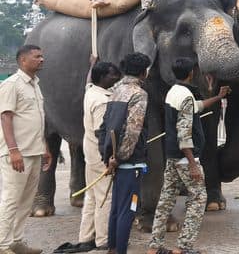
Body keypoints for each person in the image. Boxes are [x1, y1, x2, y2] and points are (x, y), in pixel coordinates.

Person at [147, 58, 231, 254]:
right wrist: (193, 164)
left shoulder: (174, 92)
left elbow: (197, 106)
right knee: (199, 199)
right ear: (192, 73)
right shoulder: (185, 96)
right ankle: (183, 247)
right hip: (186, 159)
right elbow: (184, 133)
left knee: (166, 200)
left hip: (172, 157)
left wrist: (218, 97)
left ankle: (155, 246)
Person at [54, 61, 122, 254]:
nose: (116, 79)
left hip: (90, 153)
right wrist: (111, 158)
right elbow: (104, 134)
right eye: (112, 76)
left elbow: (88, 82)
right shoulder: (103, 101)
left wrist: (92, 65)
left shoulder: (90, 91)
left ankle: (86, 237)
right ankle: (103, 239)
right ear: (102, 78)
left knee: (91, 197)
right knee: (105, 197)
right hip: (101, 155)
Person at [0, 45, 52, 254]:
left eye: (42, 56)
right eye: (37, 57)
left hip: (34, 152)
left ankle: (16, 241)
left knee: (26, 201)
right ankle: (2, 245)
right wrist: (13, 150)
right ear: (23, 61)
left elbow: (37, 119)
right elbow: (5, 117)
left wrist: (45, 147)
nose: (42, 59)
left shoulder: (35, 85)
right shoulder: (12, 84)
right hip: (17, 154)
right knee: (11, 199)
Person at [97, 52, 150, 254]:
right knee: (129, 209)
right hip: (130, 163)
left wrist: (108, 157)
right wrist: (120, 157)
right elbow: (133, 132)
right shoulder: (139, 94)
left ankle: (112, 248)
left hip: (114, 159)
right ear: (144, 72)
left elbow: (104, 127)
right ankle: (120, 250)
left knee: (116, 209)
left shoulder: (115, 91)